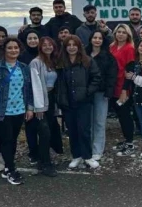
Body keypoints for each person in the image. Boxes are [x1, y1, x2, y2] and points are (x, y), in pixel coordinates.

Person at [0, 37, 33, 185]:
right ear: (4, 50)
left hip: (19, 110)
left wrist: (29, 108)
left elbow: (28, 89)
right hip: (2, 111)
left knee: (12, 139)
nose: (13, 50)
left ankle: (8, 167)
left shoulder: (24, 67)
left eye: (16, 48)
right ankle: (11, 169)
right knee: (6, 140)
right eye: (10, 48)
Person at [56, 35, 102, 169]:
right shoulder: (60, 62)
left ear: (79, 46)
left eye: (74, 45)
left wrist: (87, 92)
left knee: (84, 130)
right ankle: (76, 156)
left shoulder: (88, 61)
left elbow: (96, 78)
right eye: (68, 45)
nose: (71, 47)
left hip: (84, 102)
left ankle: (87, 156)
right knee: (72, 130)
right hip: (67, 102)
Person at [29, 36, 61, 177]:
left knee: (49, 132)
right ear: (40, 47)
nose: (48, 47)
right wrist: (38, 107)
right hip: (40, 102)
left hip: (51, 100)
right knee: (44, 132)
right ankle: (45, 164)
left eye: (50, 44)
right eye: (44, 45)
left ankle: (44, 160)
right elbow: (34, 86)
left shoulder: (53, 62)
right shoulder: (35, 63)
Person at [87, 30, 118, 161]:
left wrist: (109, 92)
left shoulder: (108, 57)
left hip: (101, 93)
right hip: (86, 93)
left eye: (100, 38)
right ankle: (87, 148)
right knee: (87, 122)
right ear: (91, 39)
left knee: (99, 122)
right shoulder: (84, 54)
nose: (97, 40)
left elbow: (112, 75)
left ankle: (97, 150)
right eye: (95, 37)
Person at [109, 24, 137, 156]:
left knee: (125, 114)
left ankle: (130, 143)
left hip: (123, 86)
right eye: (118, 32)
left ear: (128, 35)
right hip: (113, 84)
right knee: (119, 114)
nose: (120, 34)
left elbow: (130, 70)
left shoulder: (129, 48)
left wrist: (125, 90)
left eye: (123, 32)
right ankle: (126, 139)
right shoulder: (112, 47)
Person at [18, 29, 41, 164]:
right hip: (27, 94)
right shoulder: (21, 56)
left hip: (43, 95)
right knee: (30, 125)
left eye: (35, 38)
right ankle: (33, 152)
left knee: (44, 126)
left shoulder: (44, 53)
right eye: (30, 38)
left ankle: (44, 151)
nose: (33, 41)